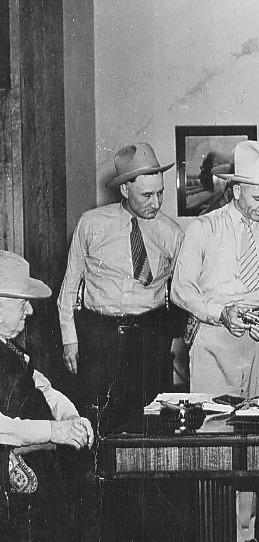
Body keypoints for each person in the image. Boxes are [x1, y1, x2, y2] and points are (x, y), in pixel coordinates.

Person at [58, 142, 183, 432]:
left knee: (149, 424)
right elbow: (69, 287)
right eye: (147, 195)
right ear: (125, 189)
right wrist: (69, 339)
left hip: (150, 338)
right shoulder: (91, 224)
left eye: (161, 193)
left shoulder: (171, 233)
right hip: (99, 337)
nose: (156, 203)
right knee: (98, 423)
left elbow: (183, 290)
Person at [0, 251, 98, 542]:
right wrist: (54, 431)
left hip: (32, 448)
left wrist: (69, 416)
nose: (29, 312)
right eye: (23, 303)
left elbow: (42, 385)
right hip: (9, 455)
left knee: (89, 472)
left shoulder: (12, 347)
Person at [172, 140, 259, 397]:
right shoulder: (203, 229)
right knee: (214, 426)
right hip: (214, 340)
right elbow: (180, 290)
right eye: (258, 198)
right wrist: (221, 313)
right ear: (237, 190)